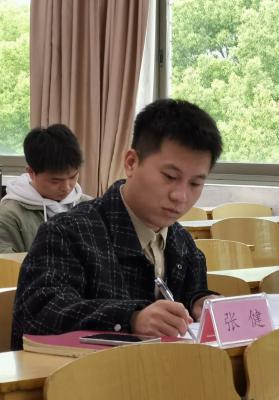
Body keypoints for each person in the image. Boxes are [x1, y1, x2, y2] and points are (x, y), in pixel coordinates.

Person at [12, 99, 223, 349]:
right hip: (88, 373)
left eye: (195, 183)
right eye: (170, 176)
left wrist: (200, 302)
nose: (181, 196)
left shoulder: (183, 244)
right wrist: (131, 318)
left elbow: (187, 313)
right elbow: (39, 314)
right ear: (131, 162)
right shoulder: (66, 232)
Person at [0, 124, 91, 253]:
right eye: (55, 181)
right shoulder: (10, 215)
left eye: (72, 177)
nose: (66, 187)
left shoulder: (89, 206)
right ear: (31, 172)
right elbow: (7, 263)